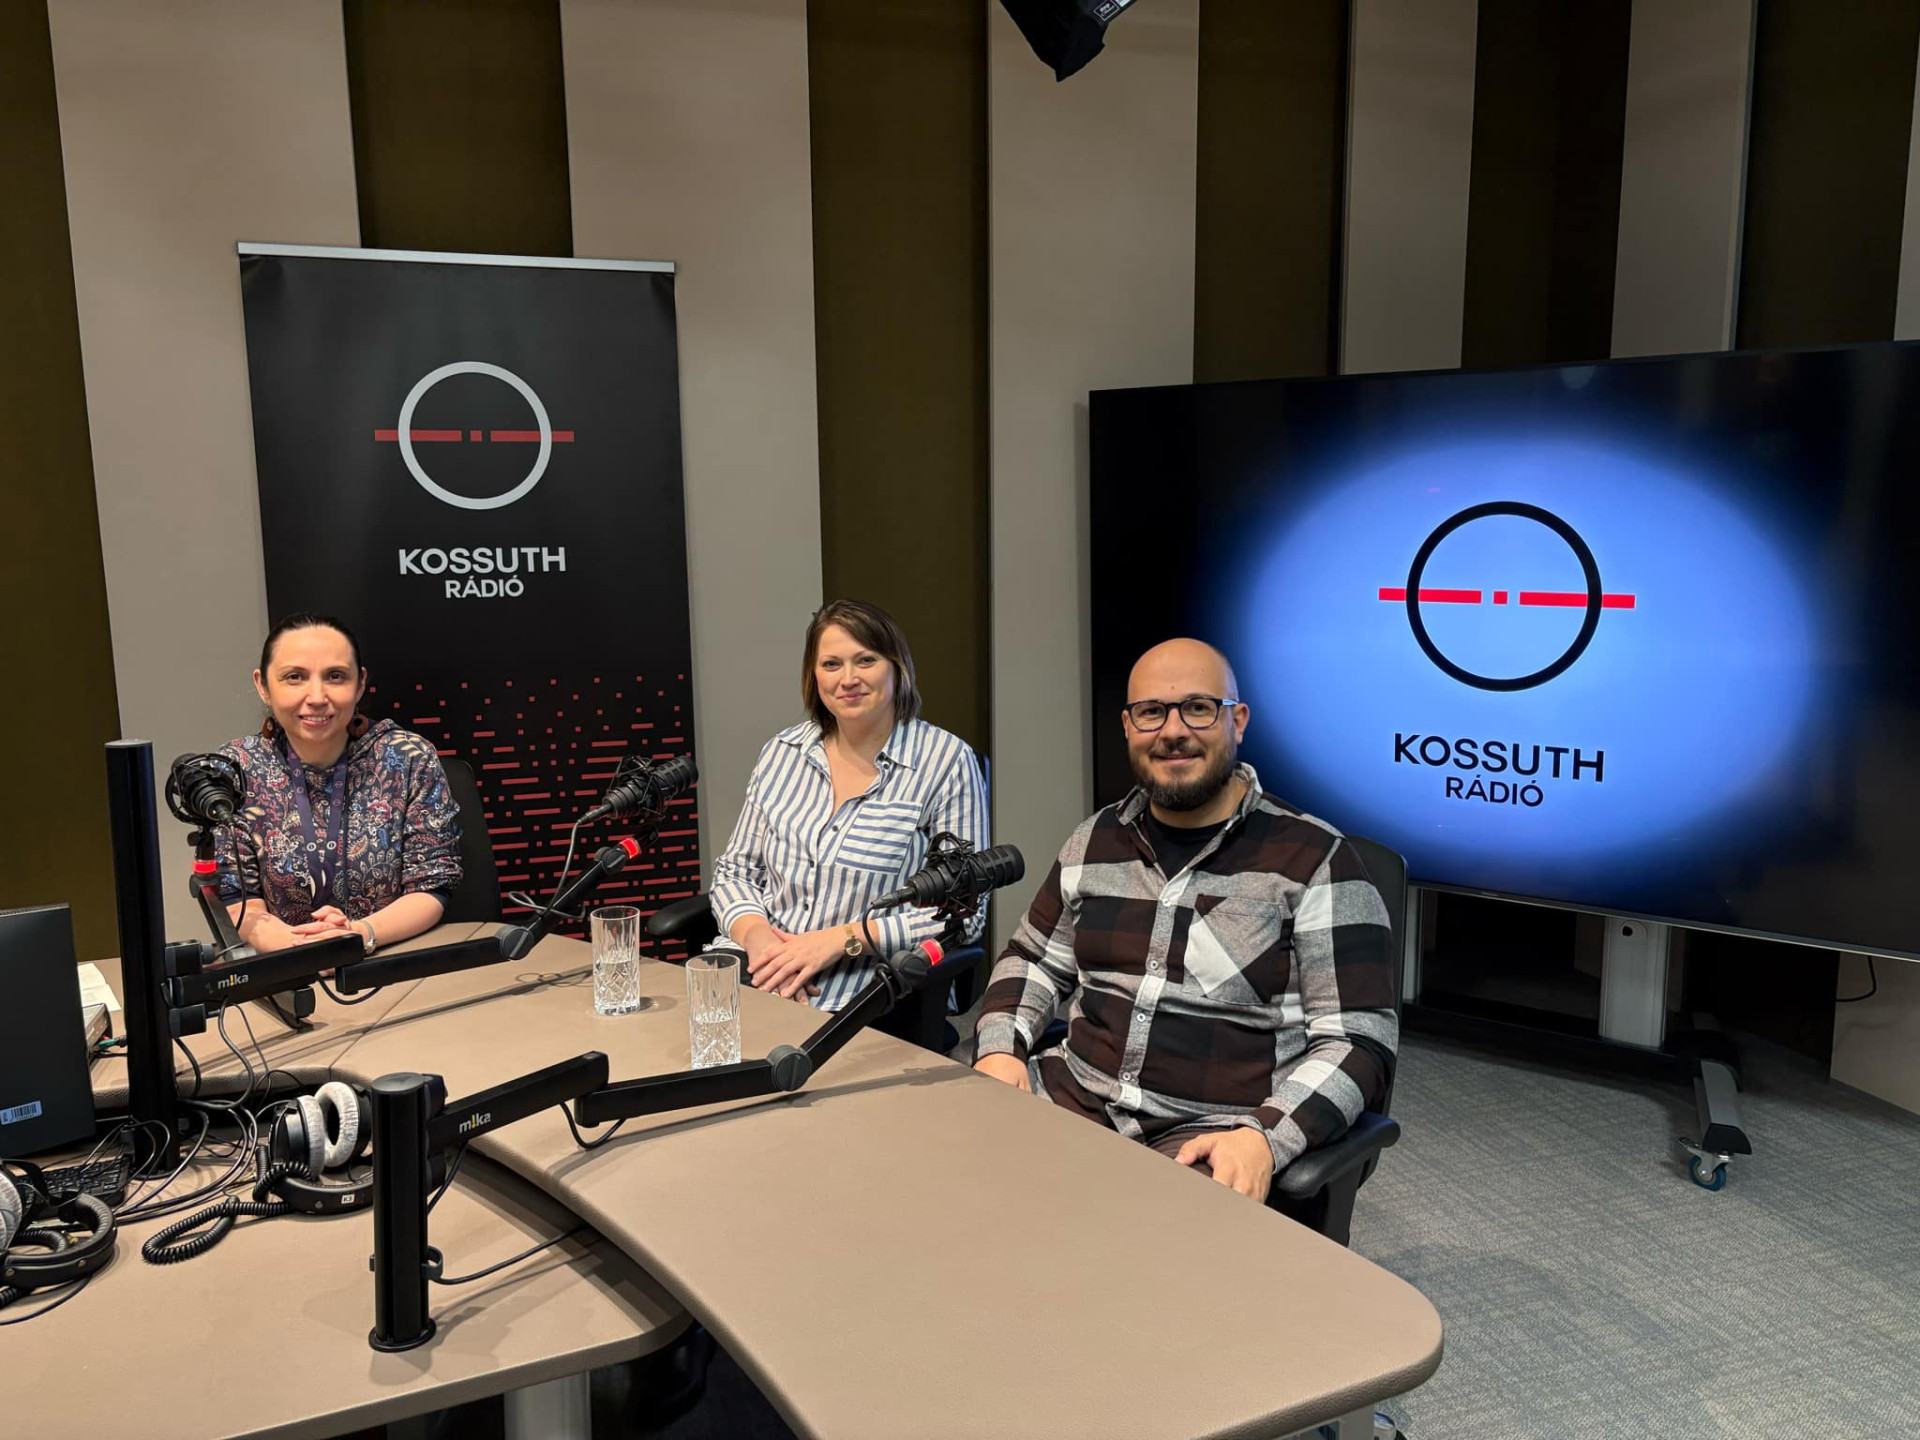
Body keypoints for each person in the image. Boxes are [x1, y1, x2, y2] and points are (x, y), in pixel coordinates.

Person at [972, 638, 1397, 1205]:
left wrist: (1265, 1138)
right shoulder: (1094, 840)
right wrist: (1000, 1047)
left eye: (1198, 708)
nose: (1173, 731)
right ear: (1128, 727)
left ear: (1237, 721)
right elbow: (1032, 960)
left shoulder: (1316, 859)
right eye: (1152, 712)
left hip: (1212, 1135)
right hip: (1075, 1100)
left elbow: (1357, 1040)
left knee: (1124, 1247)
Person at [710, 599, 990, 1010]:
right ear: (813, 676)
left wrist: (840, 940)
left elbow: (966, 913)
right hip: (760, 970)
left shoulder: (946, 762)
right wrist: (760, 941)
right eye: (831, 664)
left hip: (867, 991)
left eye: (865, 660)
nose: (848, 679)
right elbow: (735, 872)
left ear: (897, 667)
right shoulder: (782, 752)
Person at [212, 613, 462, 955]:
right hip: (281, 966)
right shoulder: (234, 769)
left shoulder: (408, 758)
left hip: (390, 958)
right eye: (295, 677)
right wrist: (296, 947)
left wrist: (357, 935)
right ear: (263, 686)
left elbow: (432, 886)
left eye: (335, 676)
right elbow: (235, 895)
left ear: (360, 684)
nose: (317, 696)